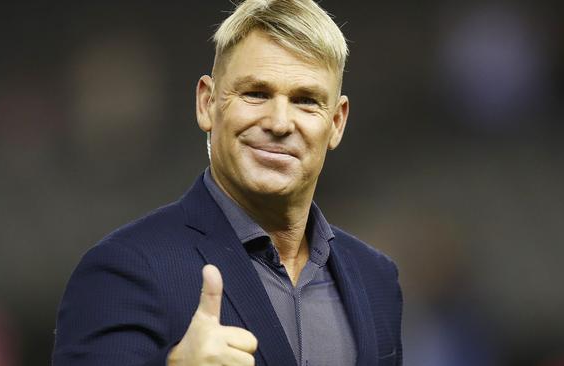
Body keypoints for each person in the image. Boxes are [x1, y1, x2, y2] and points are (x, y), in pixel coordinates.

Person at [52, 0, 403, 365]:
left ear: (336, 123)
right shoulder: (123, 271)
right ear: (207, 103)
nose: (280, 123)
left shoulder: (376, 279)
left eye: (305, 100)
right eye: (256, 93)